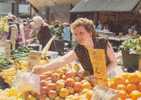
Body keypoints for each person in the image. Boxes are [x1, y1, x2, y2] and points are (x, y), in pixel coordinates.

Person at [32, 18, 117, 76]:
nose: (78, 37)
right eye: (75, 34)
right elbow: (62, 60)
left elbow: (114, 62)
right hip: (91, 80)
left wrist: (102, 74)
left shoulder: (102, 43)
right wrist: (43, 68)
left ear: (90, 33)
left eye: (81, 33)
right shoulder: (79, 49)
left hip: (109, 76)